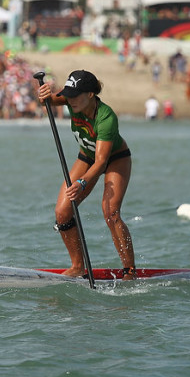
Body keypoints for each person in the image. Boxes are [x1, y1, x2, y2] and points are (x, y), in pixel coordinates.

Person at [37, 70, 136, 280]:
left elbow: (101, 162)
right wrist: (44, 94)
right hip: (85, 157)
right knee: (63, 212)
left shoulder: (106, 117)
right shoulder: (72, 99)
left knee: (110, 212)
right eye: (68, 95)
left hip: (115, 159)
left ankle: (129, 270)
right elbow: (50, 100)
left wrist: (82, 182)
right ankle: (78, 267)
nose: (70, 100)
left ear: (90, 94)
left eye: (75, 95)